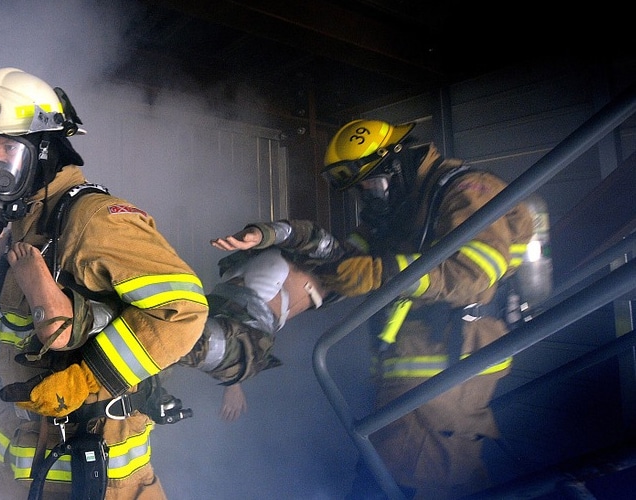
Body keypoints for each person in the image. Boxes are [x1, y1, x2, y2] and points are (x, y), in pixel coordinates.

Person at [219, 119, 534, 499]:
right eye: (361, 189)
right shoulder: (396, 209)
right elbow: (342, 258)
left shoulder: (470, 190)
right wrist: (272, 236)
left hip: (452, 358)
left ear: (396, 163)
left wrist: (378, 272)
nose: (368, 196)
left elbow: (474, 273)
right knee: (398, 469)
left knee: (426, 476)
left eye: (372, 183)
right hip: (413, 361)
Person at [0, 67, 209, 500]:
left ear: (44, 150)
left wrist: (88, 377)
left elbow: (183, 312)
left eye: (8, 147)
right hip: (19, 470)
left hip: (96, 476)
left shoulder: (95, 219)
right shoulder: (26, 224)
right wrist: (3, 342)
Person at [178, 220, 345, 422]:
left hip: (240, 335)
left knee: (173, 341)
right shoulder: (332, 254)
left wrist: (233, 380)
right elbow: (297, 233)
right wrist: (261, 234)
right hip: (221, 311)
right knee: (165, 330)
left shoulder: (336, 277)